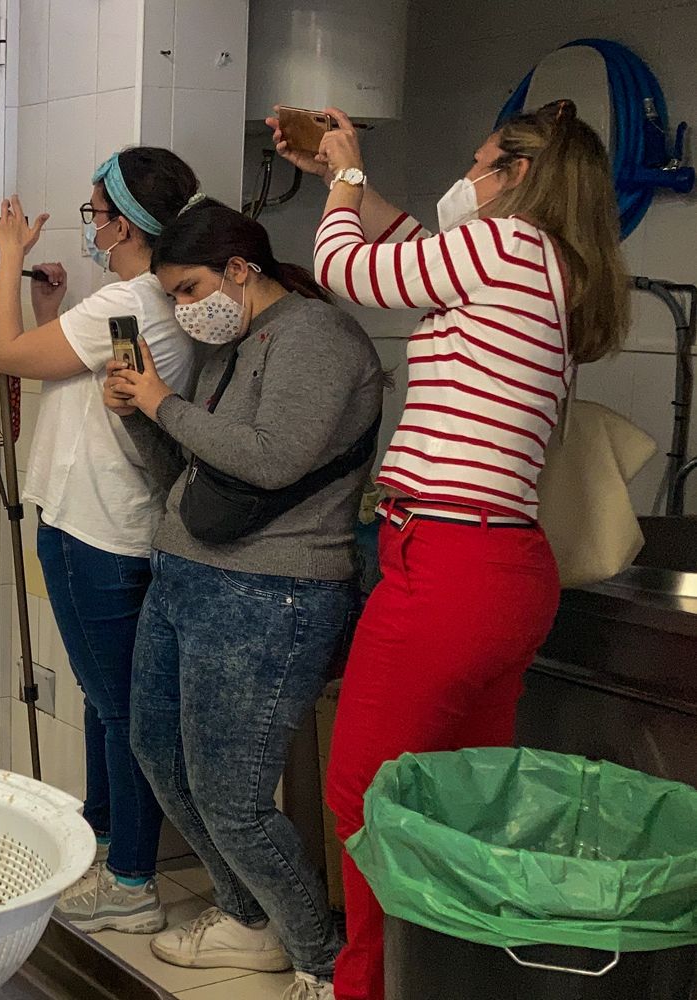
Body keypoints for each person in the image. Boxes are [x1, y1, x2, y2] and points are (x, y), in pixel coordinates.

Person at [270, 101, 629, 1000]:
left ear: (515, 178)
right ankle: (446, 980)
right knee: (456, 807)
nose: (462, 181)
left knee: (364, 797)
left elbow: (344, 267)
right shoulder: (550, 269)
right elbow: (413, 244)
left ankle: (367, 987)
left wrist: (348, 180)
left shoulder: (504, 248)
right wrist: (338, 176)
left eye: (477, 163)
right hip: (503, 571)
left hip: (448, 566)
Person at [106, 199, 383, 1000]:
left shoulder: (317, 339)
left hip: (274, 592)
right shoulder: (235, 342)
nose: (187, 312)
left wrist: (162, 401)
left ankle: (320, 959)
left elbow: (271, 460)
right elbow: (191, 481)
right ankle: (244, 918)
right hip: (187, 572)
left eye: (191, 291)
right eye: (174, 299)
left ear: (240, 269)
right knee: (160, 756)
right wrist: (138, 416)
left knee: (233, 799)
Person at [0, 146, 200, 933]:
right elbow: (68, 376)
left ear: (127, 223)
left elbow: (5, 356)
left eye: (96, 213)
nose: (90, 225)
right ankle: (107, 848)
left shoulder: (141, 301)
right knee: (111, 702)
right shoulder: (136, 301)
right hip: (107, 520)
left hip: (96, 529)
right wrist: (55, 307)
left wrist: (9, 260)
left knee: (122, 711)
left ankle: (134, 883)